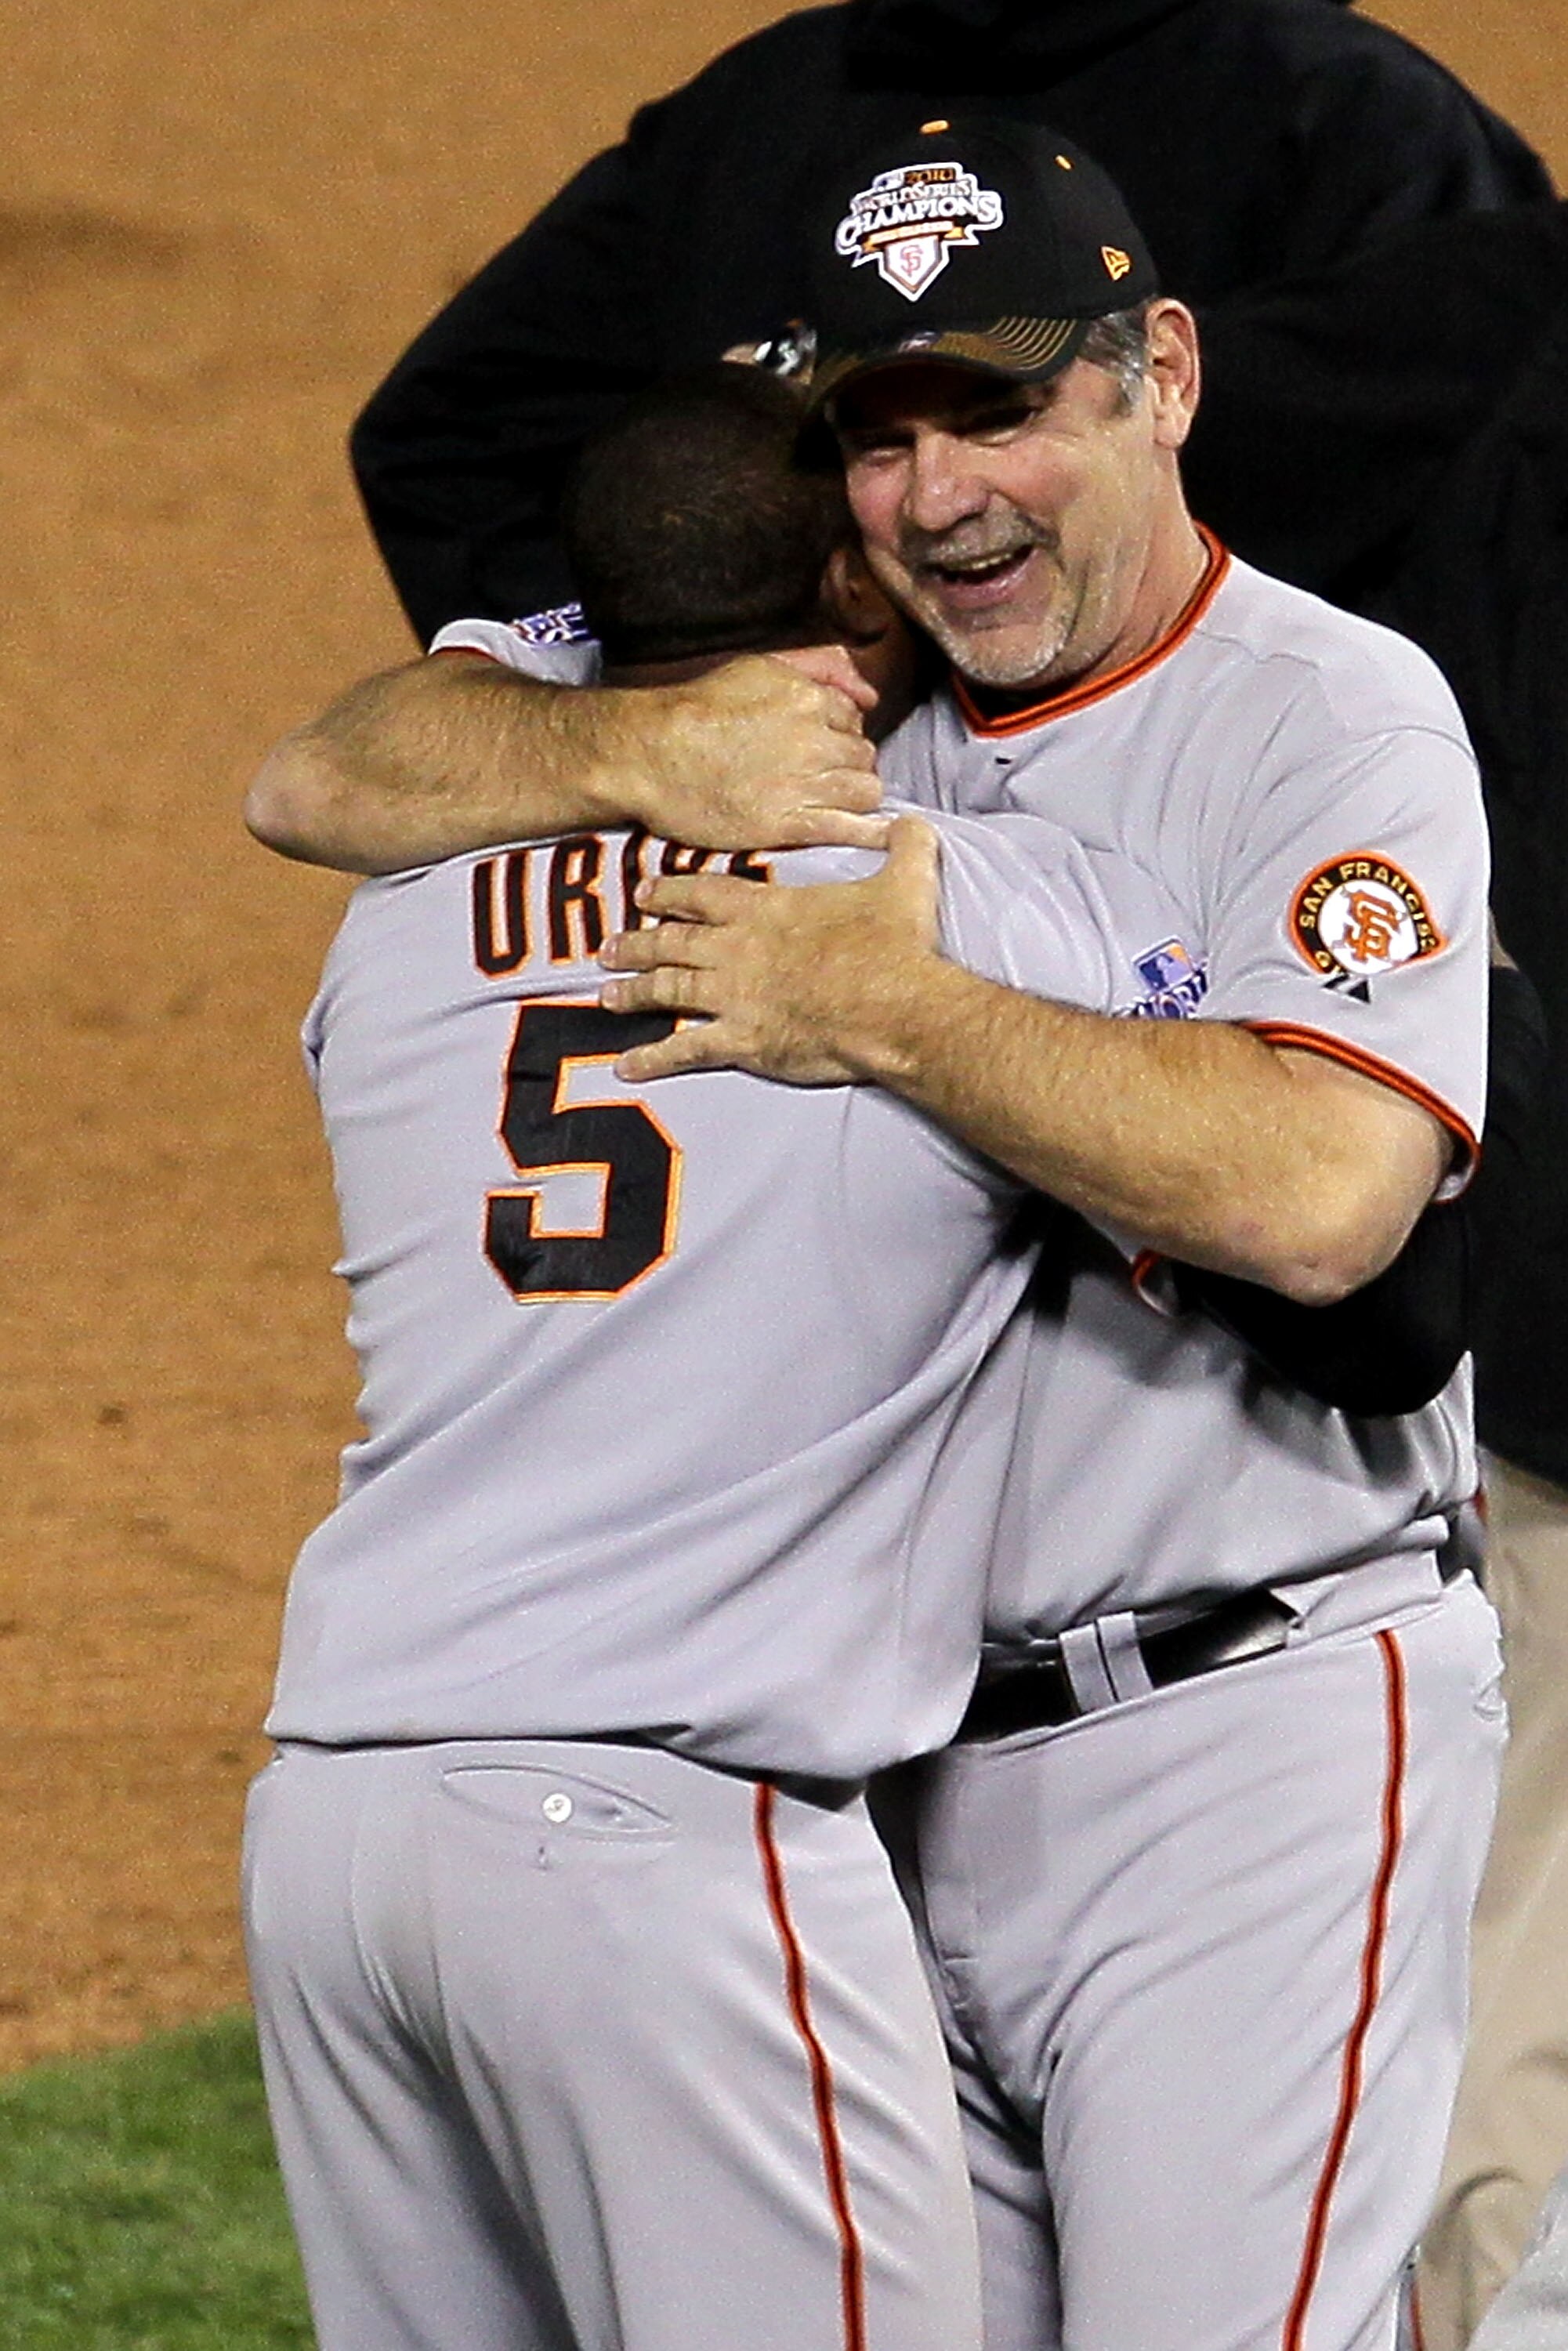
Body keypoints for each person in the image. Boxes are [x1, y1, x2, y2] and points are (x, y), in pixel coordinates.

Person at [581, 118, 1504, 2351]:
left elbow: (1313, 1198)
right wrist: (569, 745)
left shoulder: (1324, 718)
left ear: (1158, 377)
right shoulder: (821, 714)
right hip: (877, 1795)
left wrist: (897, 1013)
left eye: (996, 408)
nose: (935, 497)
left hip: (1250, 1733)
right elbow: (331, 773)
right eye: (874, 440)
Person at [243, 361, 1216, 2351]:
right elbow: (1282, 1110)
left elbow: (348, 773)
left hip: (339, 1839)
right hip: (670, 1857)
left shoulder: (395, 917)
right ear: (851, 601)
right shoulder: (962, 906)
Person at [343, 0, 1550, 648]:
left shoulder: (754, 107)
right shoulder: (1339, 111)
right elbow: (1484, 487)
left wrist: (668, 671)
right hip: (1200, 880)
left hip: (802, 849)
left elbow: (446, 440)